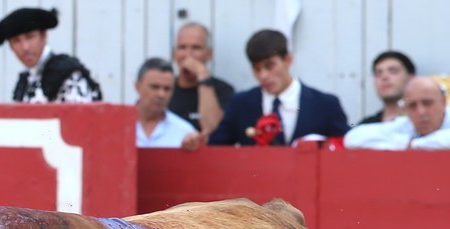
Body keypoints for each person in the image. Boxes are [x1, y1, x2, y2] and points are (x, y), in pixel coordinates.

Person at [208, 29, 349, 146]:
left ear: (288, 60)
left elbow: (346, 147)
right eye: (257, 69)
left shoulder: (325, 104)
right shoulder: (241, 103)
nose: (263, 75)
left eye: (269, 66)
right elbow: (216, 148)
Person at [0, 7, 102, 103]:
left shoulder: (67, 73)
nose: (25, 47)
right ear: (11, 46)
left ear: (43, 36)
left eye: (30, 37)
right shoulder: (24, 79)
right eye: (16, 41)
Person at [345, 77, 450, 150]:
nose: (421, 112)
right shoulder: (405, 124)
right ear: (405, 109)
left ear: (443, 102)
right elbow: (353, 138)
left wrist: (412, 145)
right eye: (412, 106)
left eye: (427, 103)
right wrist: (406, 143)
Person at [167, 22, 234, 134]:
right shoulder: (164, 88)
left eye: (196, 48)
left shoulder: (223, 90)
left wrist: (202, 75)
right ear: (174, 54)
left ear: (209, 54)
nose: (188, 55)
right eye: (182, 47)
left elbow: (212, 128)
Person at [134, 58, 203, 149]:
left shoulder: (185, 132)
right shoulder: (116, 127)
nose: (161, 94)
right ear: (137, 86)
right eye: (154, 87)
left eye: (167, 89)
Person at [359, 51, 416, 125]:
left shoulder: (425, 123)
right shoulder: (365, 127)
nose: (384, 77)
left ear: (411, 78)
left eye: (393, 71)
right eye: (378, 73)